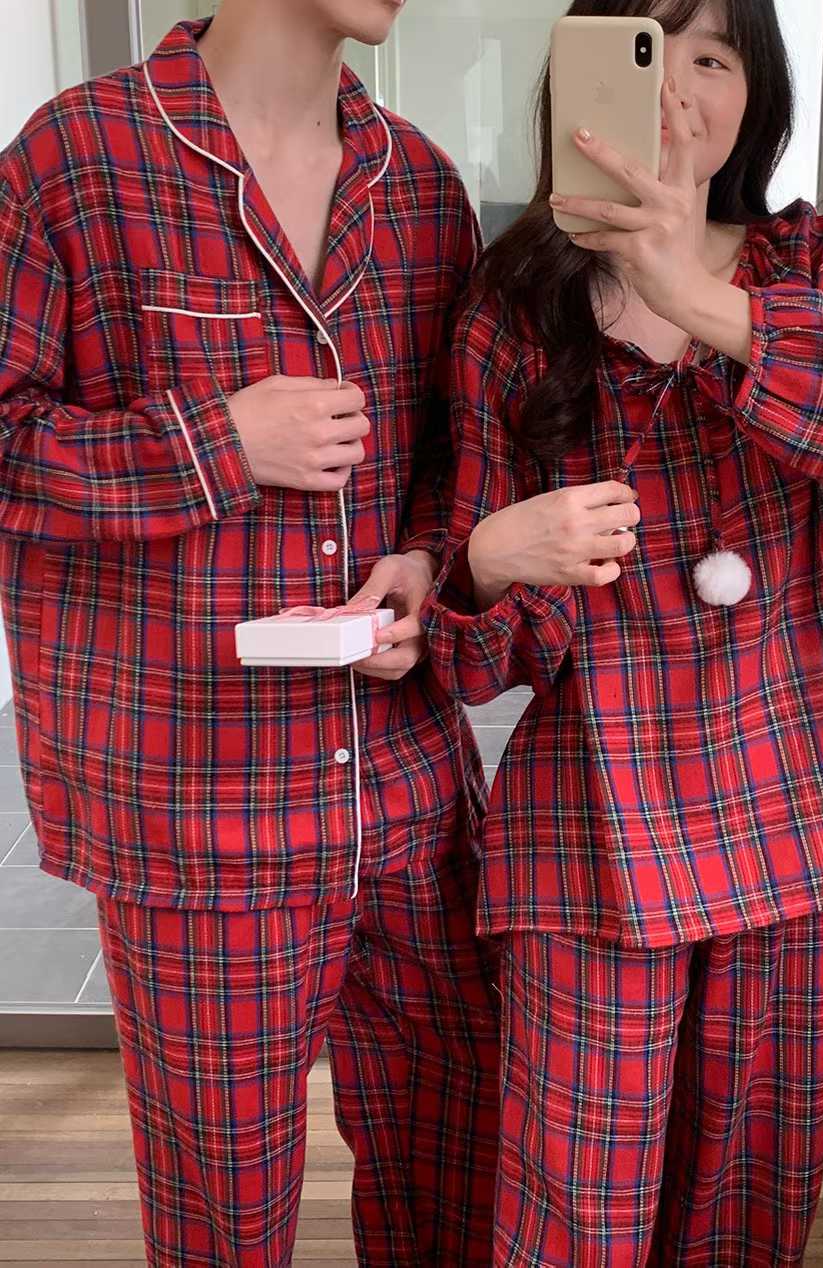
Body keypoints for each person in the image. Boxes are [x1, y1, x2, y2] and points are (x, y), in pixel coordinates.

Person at [418, 0, 823, 1262]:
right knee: (570, 1217)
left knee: (747, 1209)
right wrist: (490, 561)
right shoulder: (512, 308)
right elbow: (475, 664)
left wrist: (699, 302)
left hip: (794, 825)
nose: (672, 90)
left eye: (709, 58)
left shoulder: (810, 271)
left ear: (751, 94)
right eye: (644, 49)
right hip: (586, 846)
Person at [0, 1, 499, 1263]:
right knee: (221, 1229)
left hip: (407, 801)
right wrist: (215, 442)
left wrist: (424, 564)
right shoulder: (75, 160)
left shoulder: (422, 186)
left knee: (459, 1185)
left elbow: (452, 454)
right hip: (200, 820)